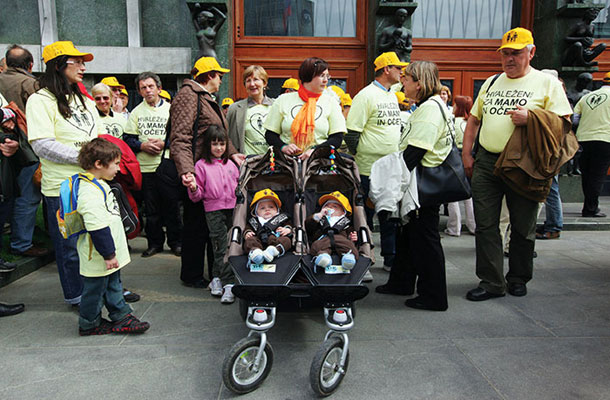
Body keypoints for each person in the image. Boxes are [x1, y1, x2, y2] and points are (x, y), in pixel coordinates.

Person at [462, 28, 572, 301]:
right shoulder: (491, 82)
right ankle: (491, 282)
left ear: (531, 53)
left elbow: (564, 123)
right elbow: (474, 120)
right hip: (487, 160)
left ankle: (518, 277)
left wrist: (532, 117)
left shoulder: (547, 84)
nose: (510, 59)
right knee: (486, 225)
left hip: (525, 163)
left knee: (523, 226)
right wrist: (467, 154)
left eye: (517, 53)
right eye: (506, 53)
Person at [27, 41, 101, 306]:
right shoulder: (40, 100)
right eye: (77, 62)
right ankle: (77, 296)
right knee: (70, 247)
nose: (83, 67)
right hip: (63, 190)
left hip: (93, 184)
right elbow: (42, 144)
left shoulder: (82, 98)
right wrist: (86, 158)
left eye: (84, 62)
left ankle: (102, 289)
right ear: (59, 65)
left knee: (97, 241)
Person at [375, 61, 451, 311]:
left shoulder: (429, 109)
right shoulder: (427, 106)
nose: (402, 82)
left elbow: (416, 152)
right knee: (408, 235)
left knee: (424, 238)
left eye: (406, 79)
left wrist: (391, 183)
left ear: (419, 83)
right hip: (417, 183)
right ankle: (401, 282)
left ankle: (434, 296)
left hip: (422, 186)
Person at [170, 56, 242, 289]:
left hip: (209, 170)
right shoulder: (188, 96)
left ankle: (217, 274)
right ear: (209, 75)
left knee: (209, 227)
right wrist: (187, 171)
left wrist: (231, 154)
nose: (221, 80)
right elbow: (180, 137)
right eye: (219, 75)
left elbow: (216, 135)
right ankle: (191, 275)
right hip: (198, 173)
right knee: (195, 227)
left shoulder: (203, 97)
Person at [74, 139, 149, 335]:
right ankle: (89, 323)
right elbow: (97, 227)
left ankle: (121, 315)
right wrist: (108, 254)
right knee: (95, 291)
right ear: (99, 164)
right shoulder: (89, 191)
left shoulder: (98, 184)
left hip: (106, 254)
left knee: (113, 285)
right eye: (116, 163)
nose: (118, 168)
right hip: (100, 255)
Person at [345, 51, 407, 275]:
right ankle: (365, 257)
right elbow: (352, 133)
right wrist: (362, 155)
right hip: (368, 168)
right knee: (365, 216)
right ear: (386, 69)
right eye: (398, 68)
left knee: (389, 215)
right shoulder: (366, 95)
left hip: (391, 167)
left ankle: (390, 258)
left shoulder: (392, 94)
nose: (402, 71)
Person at [124, 71, 181, 258]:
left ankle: (175, 242)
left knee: (172, 208)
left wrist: (165, 144)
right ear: (139, 92)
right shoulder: (136, 113)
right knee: (151, 210)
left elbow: (180, 137)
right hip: (145, 168)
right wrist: (142, 145)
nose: (148, 91)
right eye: (143, 88)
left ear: (159, 88)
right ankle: (154, 243)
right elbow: (128, 139)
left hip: (167, 165)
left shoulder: (171, 110)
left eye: (151, 86)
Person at [0, 44, 49, 257]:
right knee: (28, 197)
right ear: (30, 65)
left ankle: (15, 235)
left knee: (9, 194)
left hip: (4, 146)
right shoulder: (31, 84)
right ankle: (22, 243)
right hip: (27, 149)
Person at [187, 125, 239, 303]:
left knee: (231, 245)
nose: (218, 148)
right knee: (219, 246)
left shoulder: (231, 164)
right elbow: (197, 194)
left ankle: (217, 278)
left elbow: (239, 186)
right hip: (213, 210)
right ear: (208, 145)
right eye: (215, 144)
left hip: (232, 209)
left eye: (222, 144)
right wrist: (193, 188)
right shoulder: (201, 165)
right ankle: (228, 283)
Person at [264, 57, 346, 162]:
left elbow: (337, 138)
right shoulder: (283, 100)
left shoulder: (331, 102)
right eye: (322, 76)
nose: (326, 80)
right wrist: (284, 147)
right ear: (308, 76)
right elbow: (270, 135)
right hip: (287, 164)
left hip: (319, 164)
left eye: (327, 76)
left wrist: (316, 151)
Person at [573, 71, 610, 218]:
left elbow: (575, 119)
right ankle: (590, 208)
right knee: (597, 175)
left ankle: (588, 205)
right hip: (604, 138)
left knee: (587, 175)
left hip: (583, 138)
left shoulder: (586, 97)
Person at [444, 95, 475, 237]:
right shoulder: (473, 122)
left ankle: (454, 227)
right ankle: (473, 225)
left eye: (455, 104)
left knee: (453, 194)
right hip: (470, 156)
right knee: (469, 194)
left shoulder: (452, 121)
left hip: (455, 157)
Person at [227, 65, 274, 156]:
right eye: (248, 80)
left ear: (264, 83)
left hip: (274, 163)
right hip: (247, 164)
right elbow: (227, 137)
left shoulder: (276, 106)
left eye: (256, 79)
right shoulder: (235, 109)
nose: (252, 84)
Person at [305, 191, 358, 270]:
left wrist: (352, 238)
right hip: (323, 240)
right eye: (326, 206)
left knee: (349, 245)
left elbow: (351, 232)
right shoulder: (320, 219)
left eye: (335, 206)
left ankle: (348, 258)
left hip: (341, 240)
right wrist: (319, 215)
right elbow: (308, 226)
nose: (330, 208)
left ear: (343, 212)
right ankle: (323, 257)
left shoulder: (345, 223)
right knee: (316, 246)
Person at [244, 188, 293, 264]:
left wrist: (286, 229)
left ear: (277, 210)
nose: (267, 210)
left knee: (286, 240)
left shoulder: (281, 218)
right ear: (256, 212)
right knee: (249, 241)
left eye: (271, 207)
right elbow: (248, 228)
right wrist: (248, 233)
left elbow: (289, 225)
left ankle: (274, 251)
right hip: (258, 241)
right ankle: (256, 253)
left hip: (276, 240)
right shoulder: (254, 221)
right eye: (262, 208)